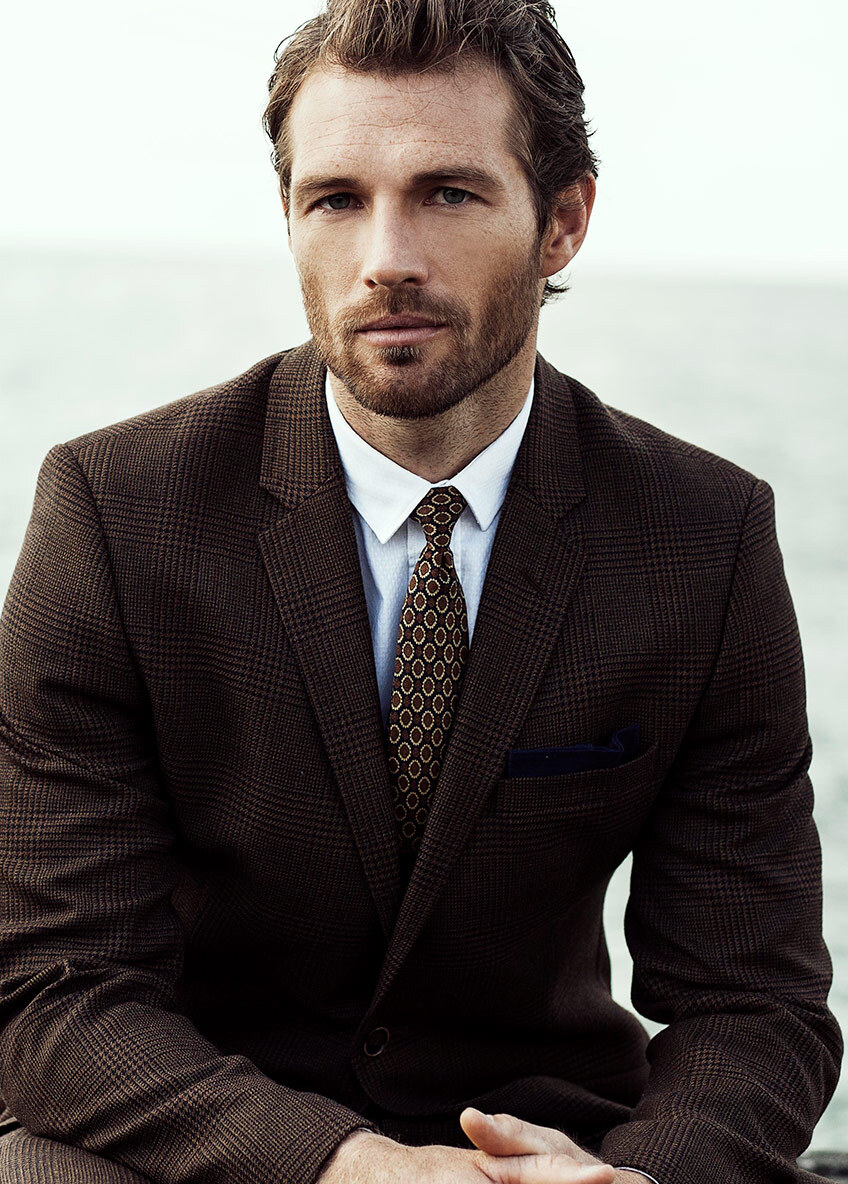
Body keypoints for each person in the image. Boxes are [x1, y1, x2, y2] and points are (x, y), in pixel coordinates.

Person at [0, 0, 841, 1181]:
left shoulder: (701, 536)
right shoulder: (114, 510)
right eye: (335, 199)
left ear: (562, 221)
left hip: (550, 1139)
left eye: (446, 193)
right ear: (288, 217)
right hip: (195, 1135)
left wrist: (642, 1174)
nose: (385, 256)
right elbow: (53, 984)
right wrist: (341, 1160)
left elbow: (751, 1000)